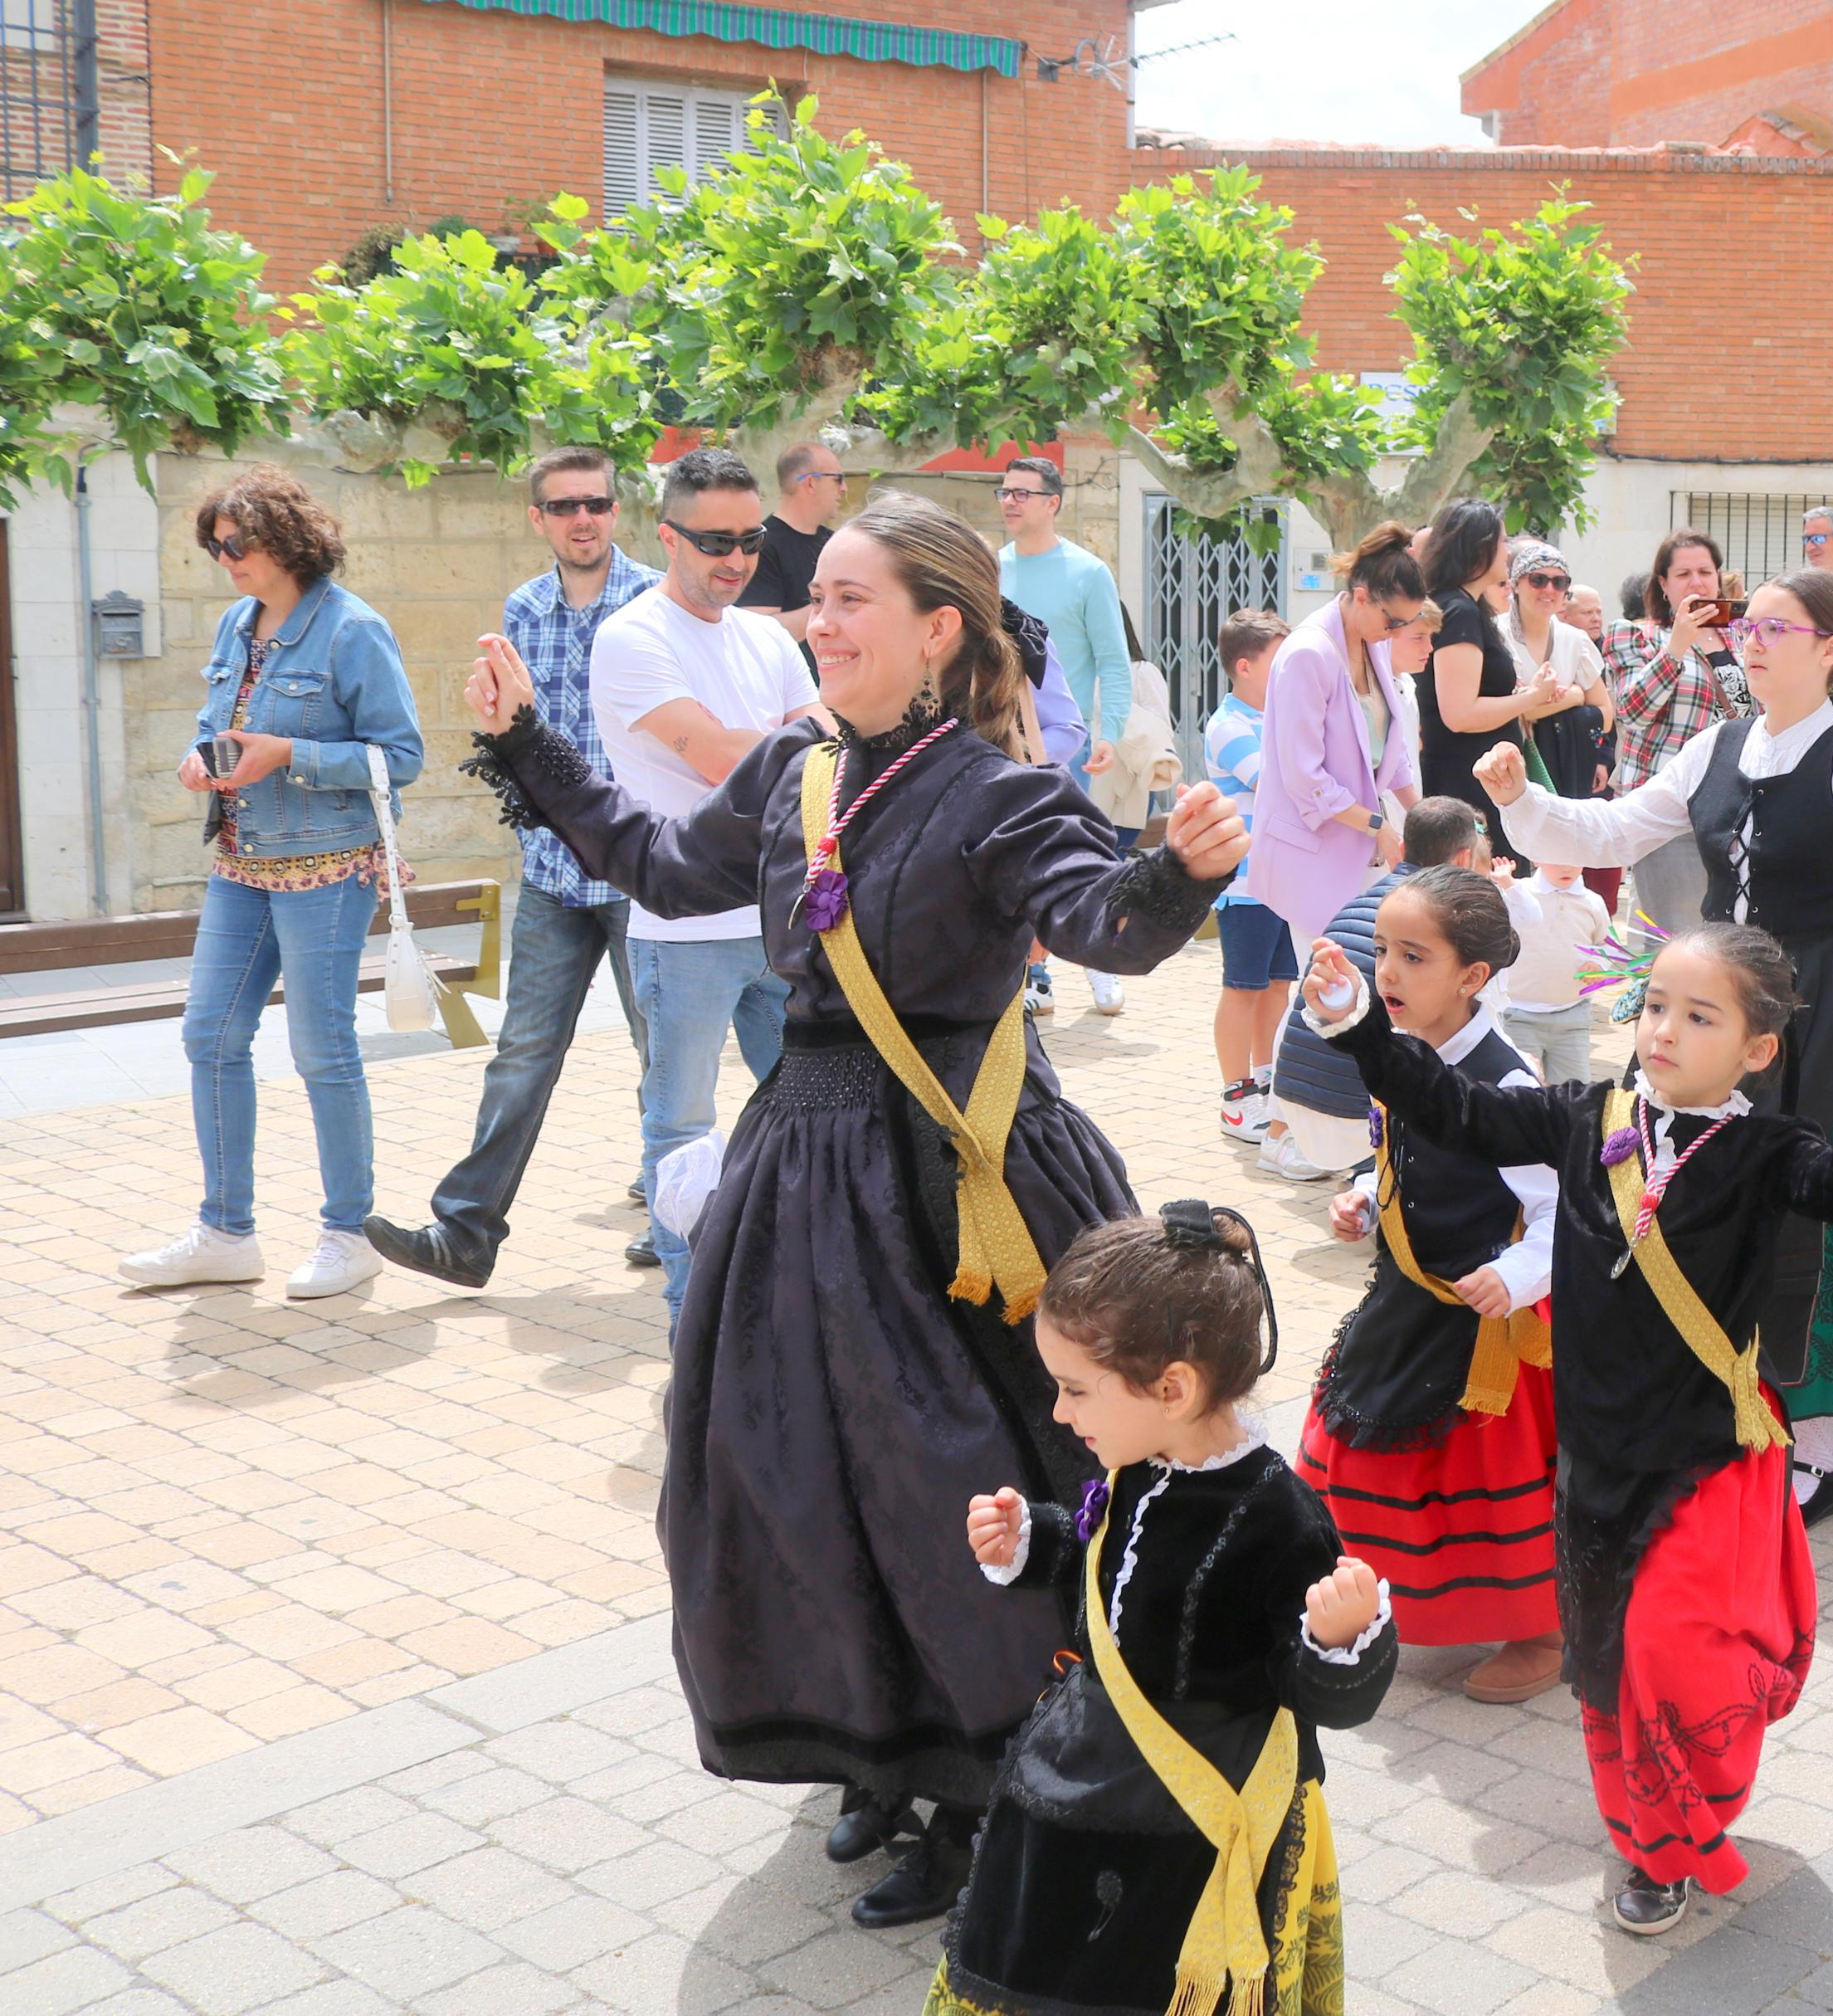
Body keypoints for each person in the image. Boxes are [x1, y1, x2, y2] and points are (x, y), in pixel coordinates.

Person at [456, 492, 1245, 1928]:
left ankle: (997, 1783)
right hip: (802, 1170)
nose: (815, 619)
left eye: (847, 599)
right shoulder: (792, 771)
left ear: (939, 630)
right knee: (788, 1474)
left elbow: (1104, 920)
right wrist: (525, 747)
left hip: (960, 1177)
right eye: (815, 599)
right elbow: (651, 860)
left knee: (956, 1480)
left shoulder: (996, 792)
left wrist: (1182, 866)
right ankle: (879, 1748)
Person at [1299, 924, 1833, 1935]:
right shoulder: (1582, 1114)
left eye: (1700, 1016)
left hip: (1704, 1460)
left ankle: (1689, 1813)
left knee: (1670, 1651)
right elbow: (1459, 1112)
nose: (1665, 1030)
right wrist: (1355, 1035)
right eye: (1655, 1006)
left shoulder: (1768, 1149)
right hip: (1591, 1461)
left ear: (1757, 1048)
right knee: (1605, 1667)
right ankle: (1649, 1845)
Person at [1476, 574, 1833, 1522]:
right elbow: (1615, 826)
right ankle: (1716, 1400)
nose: (1750, 641)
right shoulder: (1717, 743)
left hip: (1814, 1004)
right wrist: (1522, 800)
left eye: (1774, 629)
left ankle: (1814, 1445)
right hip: (1709, 996)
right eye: (1745, 626)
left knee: (1802, 1213)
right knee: (1682, 1189)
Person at [948, 1205, 1394, 2016]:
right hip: (1094, 1782)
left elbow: (1325, 1699)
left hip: (1199, 1824)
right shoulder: (1141, 1463)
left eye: (1075, 1388)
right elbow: (1106, 1565)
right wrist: (1030, 1542)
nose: (1058, 1412)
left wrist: (1343, 1639)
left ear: (1173, 1388)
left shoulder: (1280, 1518)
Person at [123, 468, 426, 1303]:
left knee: (321, 1051)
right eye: (213, 546)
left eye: (236, 544)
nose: (225, 560)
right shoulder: (235, 622)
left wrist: (288, 752)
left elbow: (401, 758)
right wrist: (200, 755)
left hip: (327, 868)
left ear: (285, 538)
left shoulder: (353, 629)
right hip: (239, 862)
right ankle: (225, 1232)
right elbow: (215, 722)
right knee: (208, 1036)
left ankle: (348, 1232)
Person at [363, 452, 656, 1290]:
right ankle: (465, 1234)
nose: (582, 518)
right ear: (538, 519)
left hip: (642, 874)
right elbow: (519, 736)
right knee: (522, 1054)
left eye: (596, 502)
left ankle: (681, 1220)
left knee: (663, 1054)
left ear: (616, 509)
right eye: (564, 506)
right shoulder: (522, 609)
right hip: (556, 878)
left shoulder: (656, 601)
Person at [1291, 869, 1567, 1705]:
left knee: (1483, 1489)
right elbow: (1397, 1153)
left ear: (1472, 977)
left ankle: (1541, 1629)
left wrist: (1514, 1276)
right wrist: (1365, 1199)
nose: (1388, 973)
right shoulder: (1403, 1051)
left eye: (1414, 956)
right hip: (1406, 1294)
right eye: (1381, 950)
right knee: (1351, 1453)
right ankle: (1378, 1592)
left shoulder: (1509, 1082)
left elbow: (1563, 1209)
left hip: (1483, 1320)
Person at [587, 447, 820, 1317]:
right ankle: (694, 1326)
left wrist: (788, 744)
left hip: (783, 916)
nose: (736, 559)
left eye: (751, 539)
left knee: (811, 1120)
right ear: (666, 535)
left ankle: (789, 1301)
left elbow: (814, 740)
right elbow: (727, 759)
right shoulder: (632, 636)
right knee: (681, 1135)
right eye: (714, 541)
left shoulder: (766, 634)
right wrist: (793, 745)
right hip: (683, 929)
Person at [1260, 798, 1501, 1182]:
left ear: (1402, 850)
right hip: (1354, 1116)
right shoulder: (1441, 920)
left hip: (1293, 1102)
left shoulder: (1358, 902)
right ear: (1463, 861)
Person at [1250, 524, 1426, 1008]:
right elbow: (1304, 778)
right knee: (1325, 994)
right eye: (1393, 621)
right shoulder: (1308, 653)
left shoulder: (1375, 643)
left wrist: (1427, 813)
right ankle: (1286, 1087)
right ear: (1362, 596)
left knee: (1358, 994)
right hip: (1312, 852)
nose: (1395, 634)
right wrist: (1379, 826)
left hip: (1363, 850)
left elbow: (1388, 754)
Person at [993, 455, 1138, 1018]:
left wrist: (1112, 732)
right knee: (1015, 866)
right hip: (998, 746)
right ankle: (1037, 975)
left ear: (1052, 502)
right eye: (1004, 492)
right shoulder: (990, 567)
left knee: (1070, 861)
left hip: (1065, 743)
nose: (1010, 501)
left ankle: (1098, 960)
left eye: (1022, 493)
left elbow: (1112, 659)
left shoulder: (1087, 572)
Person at [1604, 532, 1753, 930]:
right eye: (1683, 573)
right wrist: (1678, 646)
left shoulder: (1742, 638)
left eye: (1706, 571)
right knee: (1672, 935)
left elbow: (1755, 714)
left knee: (1727, 936)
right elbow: (1632, 712)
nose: (1697, 582)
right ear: (1663, 585)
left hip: (1733, 805)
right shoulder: (1634, 634)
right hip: (1668, 805)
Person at [1417, 499, 1568, 861]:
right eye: (1503, 541)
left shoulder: (1463, 608)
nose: (1509, 549)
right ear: (1480, 547)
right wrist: (1532, 696)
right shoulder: (1459, 611)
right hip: (1466, 787)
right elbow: (1460, 713)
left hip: (1475, 782)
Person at [1205, 608, 1296, 1145]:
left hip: (1283, 881)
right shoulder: (1228, 725)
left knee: (1278, 986)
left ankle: (1267, 1082)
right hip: (1244, 884)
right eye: (1278, 661)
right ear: (1244, 665)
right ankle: (1236, 1097)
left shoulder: (1277, 718)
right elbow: (1276, 782)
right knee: (1243, 987)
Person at [1498, 540, 1611, 807]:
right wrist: (1575, 694)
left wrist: (1553, 700)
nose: (1549, 589)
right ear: (1516, 583)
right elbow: (1515, 712)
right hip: (1510, 768)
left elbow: (1605, 716)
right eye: (1538, 580)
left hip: (1565, 769)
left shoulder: (1576, 640)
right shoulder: (1496, 635)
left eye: (1559, 583)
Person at [1504, 860, 1615, 1087]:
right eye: (1557, 859)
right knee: (1521, 1092)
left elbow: (1608, 944)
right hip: (1519, 1014)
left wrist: (1598, 964)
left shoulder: (1592, 901)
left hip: (1572, 1015)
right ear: (1537, 856)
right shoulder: (1519, 894)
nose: (1567, 867)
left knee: (1573, 1094)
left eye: (1574, 859)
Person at [735, 440, 844, 645]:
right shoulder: (759, 546)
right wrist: (834, 604)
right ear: (811, 483)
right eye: (838, 479)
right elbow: (758, 632)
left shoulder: (836, 543)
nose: (844, 488)